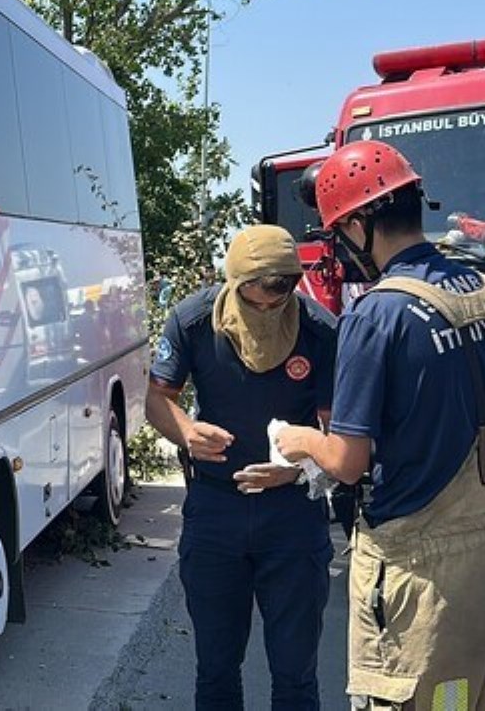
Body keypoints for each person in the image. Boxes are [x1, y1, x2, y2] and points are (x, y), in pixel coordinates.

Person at [274, 140, 485, 710]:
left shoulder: (378, 312)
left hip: (424, 571)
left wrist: (302, 440)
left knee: (429, 698)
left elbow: (346, 461)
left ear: (362, 223)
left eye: (339, 231)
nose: (341, 245)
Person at [145, 225, 338, 710]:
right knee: (215, 670)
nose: (269, 310)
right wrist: (186, 431)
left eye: (280, 299)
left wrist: (298, 471)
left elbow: (340, 437)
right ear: (234, 284)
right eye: (256, 301)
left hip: (293, 517)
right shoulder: (193, 321)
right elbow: (157, 400)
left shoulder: (320, 331)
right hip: (215, 511)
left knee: (295, 676)